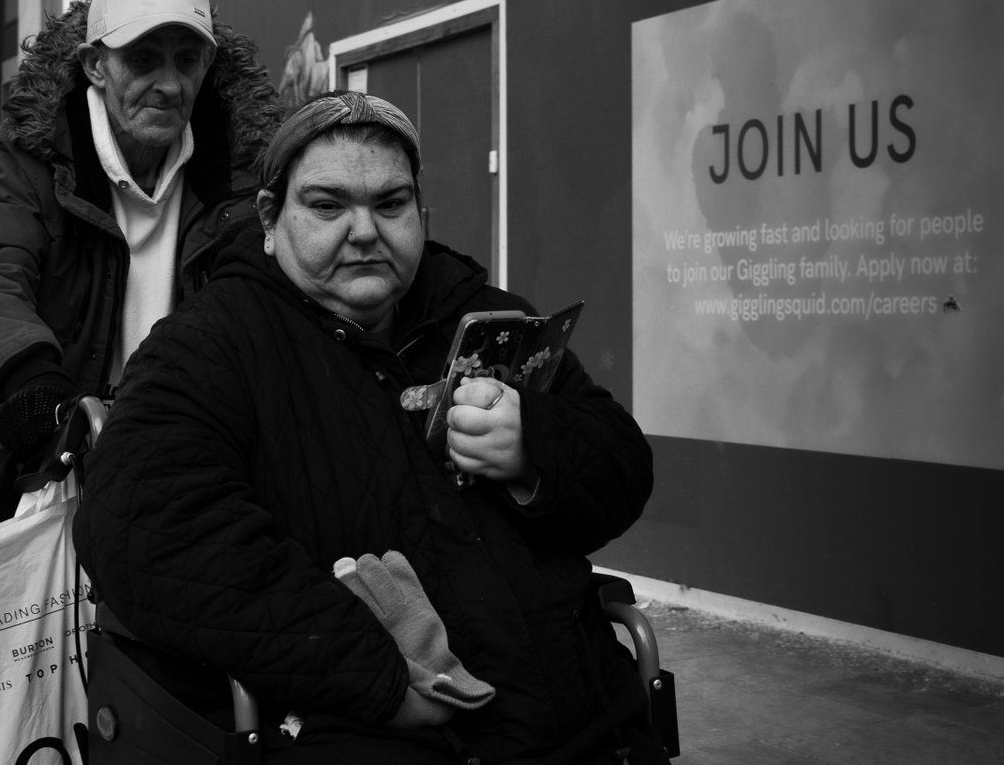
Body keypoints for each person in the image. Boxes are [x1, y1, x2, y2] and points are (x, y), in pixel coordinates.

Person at [74, 91, 663, 764]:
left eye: (390, 204)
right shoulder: (211, 347)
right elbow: (142, 527)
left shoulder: (490, 320)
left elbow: (623, 469)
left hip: (595, 727)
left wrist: (535, 449)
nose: (364, 231)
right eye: (327, 206)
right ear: (271, 218)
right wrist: (375, 678)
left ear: (421, 212)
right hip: (381, 736)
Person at [0, 0, 282, 528]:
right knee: (38, 616)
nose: (169, 84)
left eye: (187, 59)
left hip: (179, 449)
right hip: (41, 448)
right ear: (95, 65)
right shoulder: (35, 152)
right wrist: (31, 377)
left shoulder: (246, 170)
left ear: (209, 65)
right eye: (144, 59)